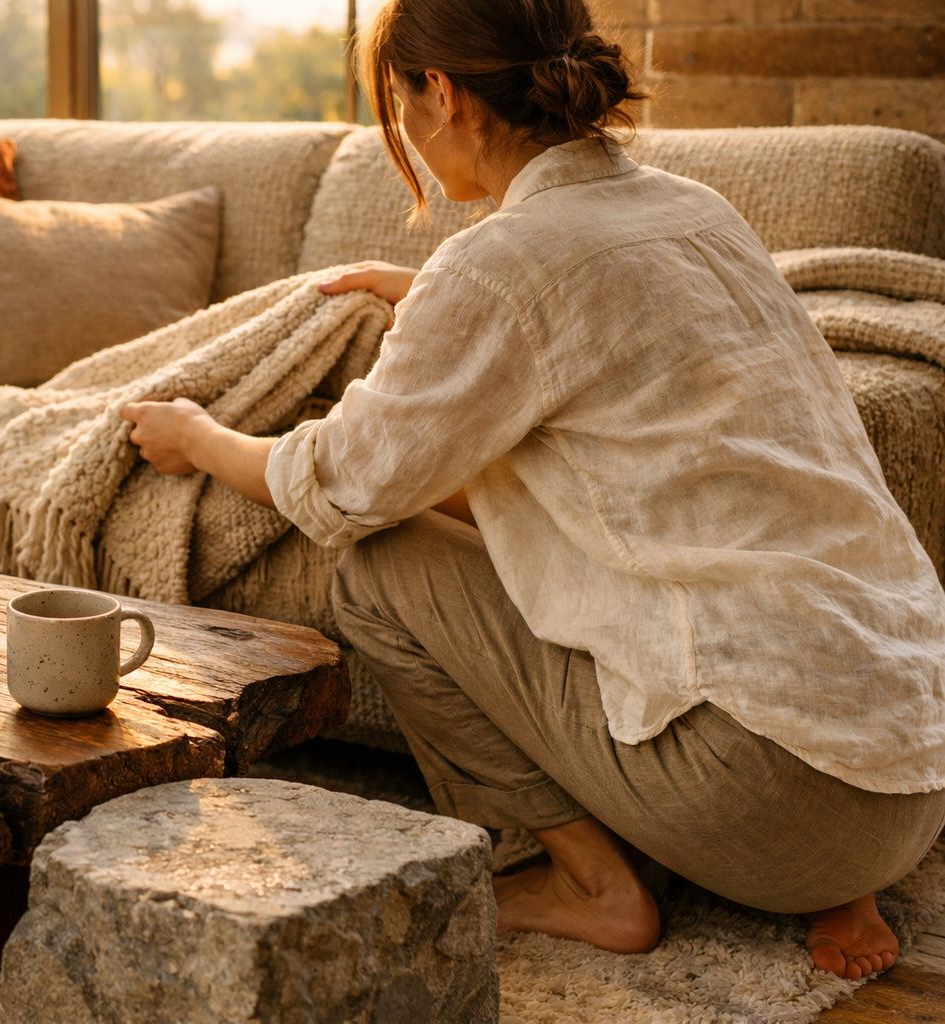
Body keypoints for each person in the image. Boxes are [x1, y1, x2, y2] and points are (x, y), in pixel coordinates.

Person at [118, 0, 945, 981]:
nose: (414, 147)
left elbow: (341, 485)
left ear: (444, 94)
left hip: (769, 792)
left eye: (402, 106)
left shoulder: (501, 262)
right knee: (740, 538)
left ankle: (595, 884)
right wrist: (428, 295)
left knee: (378, 565)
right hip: (912, 766)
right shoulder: (695, 209)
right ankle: (829, 880)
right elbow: (595, 358)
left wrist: (200, 436)